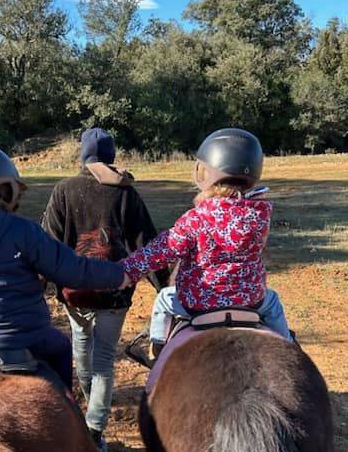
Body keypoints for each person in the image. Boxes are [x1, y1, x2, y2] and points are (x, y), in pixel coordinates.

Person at [0, 142, 125, 390]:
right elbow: (73, 270)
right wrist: (119, 274)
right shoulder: (22, 230)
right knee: (62, 346)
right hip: (28, 336)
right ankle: (68, 406)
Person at [42, 128, 168, 452]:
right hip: (115, 290)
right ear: (112, 156)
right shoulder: (127, 194)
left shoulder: (63, 190)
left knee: (83, 353)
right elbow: (148, 243)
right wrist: (164, 287)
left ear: (82, 155)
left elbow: (49, 241)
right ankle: (94, 432)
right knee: (102, 360)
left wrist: (40, 285)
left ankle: (92, 427)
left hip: (75, 292)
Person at [121, 128, 292, 359]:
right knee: (273, 302)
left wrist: (127, 270)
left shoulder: (196, 219)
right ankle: (289, 348)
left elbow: (161, 251)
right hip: (252, 300)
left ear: (205, 172)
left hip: (199, 301)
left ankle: (158, 348)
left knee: (164, 299)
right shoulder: (260, 216)